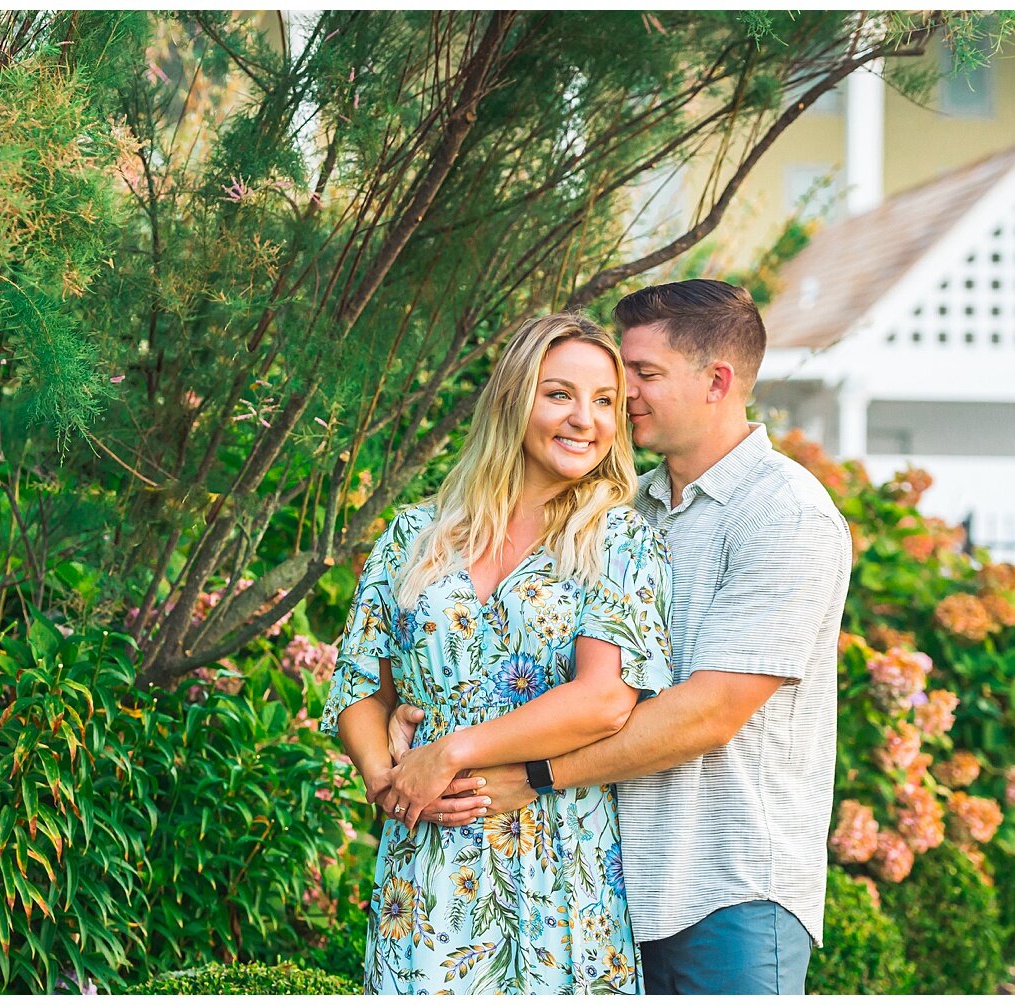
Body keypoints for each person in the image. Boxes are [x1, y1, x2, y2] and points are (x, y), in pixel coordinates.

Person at [393, 280, 852, 995]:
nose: (623, 391)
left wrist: (533, 774)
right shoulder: (620, 509)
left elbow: (710, 711)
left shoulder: (786, 516)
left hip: (728, 890)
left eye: (643, 374)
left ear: (718, 381)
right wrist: (421, 705)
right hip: (613, 884)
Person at [320, 312, 673, 994]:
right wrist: (383, 779)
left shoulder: (621, 541)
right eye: (560, 393)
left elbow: (603, 699)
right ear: (514, 398)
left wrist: (449, 753)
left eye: (605, 401)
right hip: (424, 858)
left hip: (557, 856)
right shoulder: (415, 534)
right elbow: (361, 683)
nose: (586, 419)